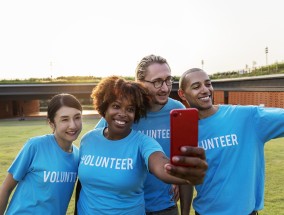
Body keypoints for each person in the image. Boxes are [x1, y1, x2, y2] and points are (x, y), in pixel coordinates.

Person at [76, 76, 207, 215]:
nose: (123, 114)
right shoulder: (88, 139)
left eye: (130, 109)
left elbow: (160, 165)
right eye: (116, 106)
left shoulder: (143, 143)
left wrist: (186, 175)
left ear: (136, 113)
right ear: (104, 108)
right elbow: (82, 185)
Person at [95, 54, 195, 215]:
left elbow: (185, 166)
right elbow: (96, 149)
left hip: (165, 206)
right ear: (139, 83)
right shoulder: (124, 110)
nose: (165, 88)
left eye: (168, 80)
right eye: (157, 81)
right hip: (125, 206)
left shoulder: (179, 111)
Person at [178, 68, 284, 215]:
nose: (205, 90)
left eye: (208, 84)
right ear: (182, 94)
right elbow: (186, 178)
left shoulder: (247, 117)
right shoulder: (185, 131)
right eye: (196, 87)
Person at [0, 93, 83, 215]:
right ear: (51, 123)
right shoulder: (35, 146)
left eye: (77, 117)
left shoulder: (78, 156)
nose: (73, 125)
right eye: (65, 119)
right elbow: (6, 188)